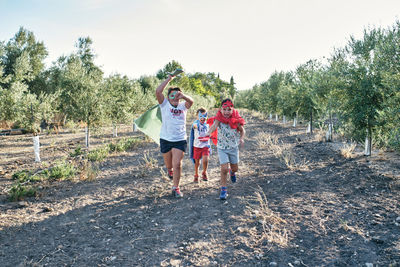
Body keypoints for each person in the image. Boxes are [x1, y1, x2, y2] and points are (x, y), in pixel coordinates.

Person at [156, 74, 193, 198]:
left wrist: (183, 96)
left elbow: (191, 101)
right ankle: (169, 170)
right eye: (172, 95)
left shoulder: (183, 106)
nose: (175, 97)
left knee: (177, 164)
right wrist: (169, 78)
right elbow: (158, 91)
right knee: (169, 165)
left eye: (177, 95)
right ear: (168, 97)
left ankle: (176, 188)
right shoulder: (164, 104)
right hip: (165, 139)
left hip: (180, 139)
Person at [207, 98, 245, 200]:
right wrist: (207, 134)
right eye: (224, 109)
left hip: (233, 147)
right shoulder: (218, 119)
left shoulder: (235, 120)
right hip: (222, 147)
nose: (226, 112)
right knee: (224, 169)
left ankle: (232, 172)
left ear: (232, 109)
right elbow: (214, 126)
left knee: (235, 168)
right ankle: (223, 189)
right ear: (221, 109)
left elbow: (242, 130)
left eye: (229, 109)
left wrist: (241, 138)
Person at [189, 108, 211, 182]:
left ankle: (204, 172)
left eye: (204, 116)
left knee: (205, 160)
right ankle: (196, 174)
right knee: (197, 162)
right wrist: (198, 125)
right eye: (200, 116)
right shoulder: (195, 124)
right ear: (197, 117)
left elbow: (211, 131)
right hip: (197, 146)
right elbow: (195, 126)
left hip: (205, 145)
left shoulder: (207, 124)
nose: (202, 118)